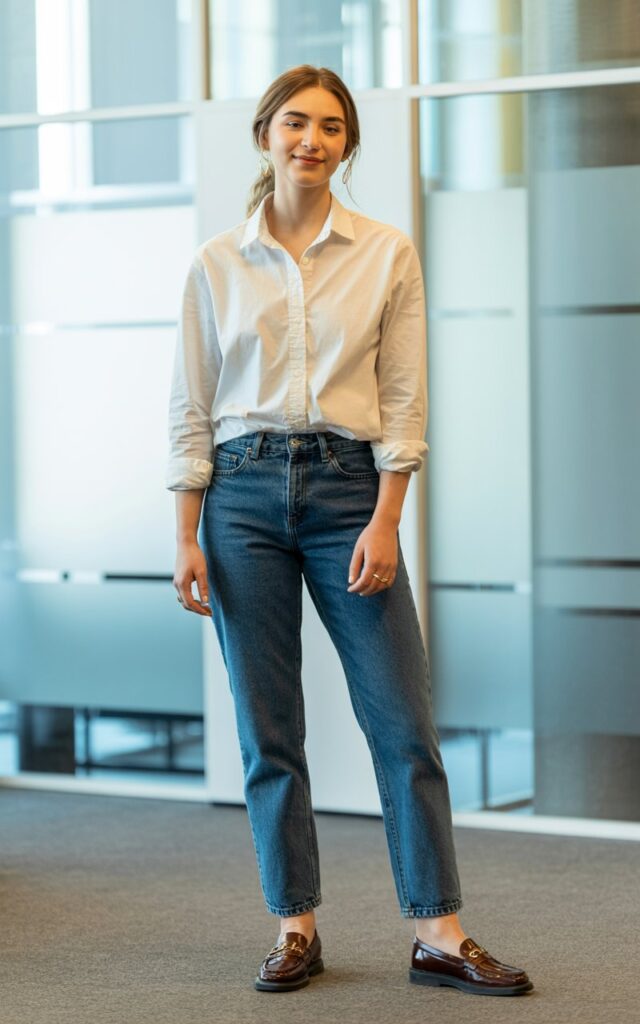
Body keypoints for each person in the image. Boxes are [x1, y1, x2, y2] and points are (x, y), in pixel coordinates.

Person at [166, 64, 533, 998]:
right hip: (241, 499)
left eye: (331, 127)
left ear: (348, 145)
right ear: (264, 135)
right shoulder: (216, 263)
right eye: (295, 123)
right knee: (268, 731)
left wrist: (387, 517)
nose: (312, 141)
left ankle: (439, 933)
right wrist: (185, 533)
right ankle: (295, 927)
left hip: (348, 493)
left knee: (402, 723)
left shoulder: (386, 252)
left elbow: (405, 401)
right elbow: (191, 411)